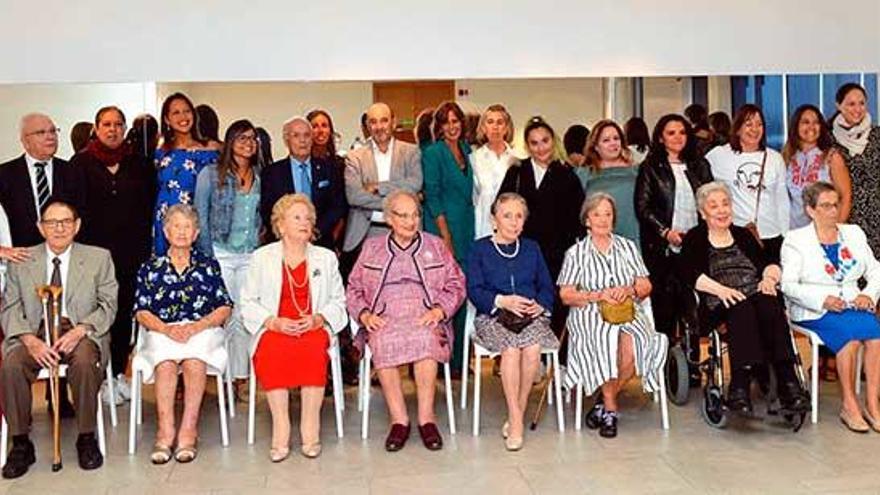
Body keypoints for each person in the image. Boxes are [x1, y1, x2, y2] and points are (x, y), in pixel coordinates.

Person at [0, 199, 118, 479]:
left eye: (66, 222)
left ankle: (86, 437)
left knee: (86, 361)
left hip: (79, 330)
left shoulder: (98, 258)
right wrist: (30, 340)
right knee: (11, 365)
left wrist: (81, 330)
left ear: (77, 226)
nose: (59, 228)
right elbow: (10, 306)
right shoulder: (23, 259)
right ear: (41, 228)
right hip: (34, 331)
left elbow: (108, 304)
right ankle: (20, 443)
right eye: (52, 222)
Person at [346, 191, 466, 452]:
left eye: (415, 215)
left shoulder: (434, 245)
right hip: (385, 314)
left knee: (426, 338)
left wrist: (440, 311)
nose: (410, 222)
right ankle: (399, 420)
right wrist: (365, 315)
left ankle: (426, 419)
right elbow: (353, 288)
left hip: (425, 312)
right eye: (403, 216)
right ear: (389, 218)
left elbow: (457, 283)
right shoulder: (372, 248)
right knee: (384, 340)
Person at [679, 182, 809, 414]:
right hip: (718, 300)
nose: (721, 210)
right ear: (703, 213)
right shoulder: (695, 237)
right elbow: (689, 274)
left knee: (769, 303)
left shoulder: (742, 234)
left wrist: (769, 278)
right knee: (742, 307)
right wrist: (721, 290)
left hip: (754, 294)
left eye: (725, 204)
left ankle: (789, 383)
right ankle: (739, 384)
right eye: (714, 206)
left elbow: (768, 263)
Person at [240, 194, 347, 460]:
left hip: (312, 325)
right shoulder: (261, 257)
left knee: (313, 347)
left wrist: (319, 319)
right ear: (281, 224)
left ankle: (310, 428)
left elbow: (338, 301)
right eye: (296, 217)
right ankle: (281, 428)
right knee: (272, 348)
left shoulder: (326, 258)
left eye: (308, 218)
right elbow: (247, 302)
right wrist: (272, 322)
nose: (304, 222)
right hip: (275, 325)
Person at [558, 193, 667, 438]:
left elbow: (646, 286)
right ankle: (610, 409)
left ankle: (604, 400)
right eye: (597, 214)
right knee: (606, 341)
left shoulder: (627, 247)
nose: (603, 219)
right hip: (590, 313)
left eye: (608, 214)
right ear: (587, 219)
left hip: (627, 310)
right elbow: (566, 295)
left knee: (636, 345)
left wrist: (627, 290)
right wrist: (598, 295)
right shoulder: (576, 253)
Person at [132, 204, 232, 464]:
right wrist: (167, 329)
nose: (182, 231)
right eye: (176, 226)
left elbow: (224, 306)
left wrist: (196, 326)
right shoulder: (150, 268)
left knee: (194, 360)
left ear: (196, 233)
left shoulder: (208, 266)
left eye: (188, 227)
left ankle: (188, 430)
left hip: (201, 330)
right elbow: (141, 311)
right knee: (165, 364)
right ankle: (165, 432)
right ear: (166, 232)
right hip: (161, 329)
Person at [73, 106, 156, 404]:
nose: (112, 130)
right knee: (95, 314)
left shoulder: (140, 163)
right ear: (96, 128)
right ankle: (99, 374)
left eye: (118, 124)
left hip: (131, 254)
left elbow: (149, 209)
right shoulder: (80, 163)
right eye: (106, 124)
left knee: (123, 315)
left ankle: (119, 374)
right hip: (92, 256)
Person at [781, 181, 880, 432]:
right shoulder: (795, 240)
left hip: (852, 304)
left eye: (835, 205)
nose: (833, 211)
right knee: (850, 340)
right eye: (825, 206)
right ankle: (849, 405)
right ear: (810, 210)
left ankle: (872, 403)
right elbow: (788, 285)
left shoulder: (854, 233)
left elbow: (876, 269)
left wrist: (868, 294)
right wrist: (821, 300)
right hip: (815, 309)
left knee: (876, 337)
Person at [466, 193, 558, 450]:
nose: (514, 222)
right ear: (494, 219)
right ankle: (516, 419)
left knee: (531, 350)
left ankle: (516, 411)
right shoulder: (479, 249)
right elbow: (474, 288)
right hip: (494, 316)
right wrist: (501, 301)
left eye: (519, 216)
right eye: (507, 215)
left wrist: (540, 304)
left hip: (529, 316)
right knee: (510, 350)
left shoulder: (531, 248)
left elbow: (546, 287)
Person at [635, 114, 713, 380]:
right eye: (671, 133)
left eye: (682, 132)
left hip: (696, 245)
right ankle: (664, 367)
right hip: (663, 249)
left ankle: (691, 367)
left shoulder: (700, 165)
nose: (678, 137)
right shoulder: (651, 167)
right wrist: (665, 232)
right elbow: (643, 208)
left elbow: (711, 201)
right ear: (660, 137)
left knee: (692, 309)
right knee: (665, 310)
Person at [498, 116, 584, 345]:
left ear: (553, 141)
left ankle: (550, 355)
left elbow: (577, 219)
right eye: (534, 143)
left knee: (553, 304)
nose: (540, 147)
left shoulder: (567, 175)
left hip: (557, 254)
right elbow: (499, 206)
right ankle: (523, 351)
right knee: (522, 301)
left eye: (544, 141)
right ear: (528, 146)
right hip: (520, 251)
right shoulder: (516, 172)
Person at [194, 119, 262, 395]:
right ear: (230, 142)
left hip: (250, 254)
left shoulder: (260, 174)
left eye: (252, 138)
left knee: (245, 316)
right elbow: (200, 214)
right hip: (220, 253)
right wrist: (208, 257)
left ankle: (240, 378)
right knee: (225, 314)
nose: (248, 143)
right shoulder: (211, 174)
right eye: (242, 138)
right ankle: (224, 377)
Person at [341, 103, 422, 279]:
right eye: (373, 122)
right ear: (368, 126)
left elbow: (415, 184)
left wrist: (379, 187)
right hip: (366, 233)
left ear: (393, 122)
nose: (379, 127)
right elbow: (354, 196)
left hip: (405, 233)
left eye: (384, 121)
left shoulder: (411, 152)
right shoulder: (354, 157)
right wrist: (397, 205)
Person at [422, 101, 474, 373]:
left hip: (466, 226)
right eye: (447, 122)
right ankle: (438, 359)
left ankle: (460, 362)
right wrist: (445, 238)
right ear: (439, 127)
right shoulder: (433, 153)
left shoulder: (467, 150)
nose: (452, 127)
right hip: (441, 227)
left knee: (461, 291)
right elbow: (432, 194)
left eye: (456, 121)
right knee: (441, 294)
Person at [705, 104, 789, 262]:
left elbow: (782, 199)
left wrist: (785, 235)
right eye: (748, 124)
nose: (754, 129)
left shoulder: (774, 158)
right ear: (737, 128)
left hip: (770, 234)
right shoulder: (718, 155)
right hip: (734, 235)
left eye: (759, 124)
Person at [0, 113, 85, 248]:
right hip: (21, 257)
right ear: (25, 140)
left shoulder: (73, 171)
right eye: (41, 132)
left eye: (53, 131)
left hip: (66, 255)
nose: (50, 137)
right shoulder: (4, 175)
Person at [262, 117, 347, 250]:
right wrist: (288, 232)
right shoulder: (272, 173)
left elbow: (338, 206)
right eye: (296, 135)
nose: (302, 140)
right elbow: (267, 210)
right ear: (286, 140)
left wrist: (315, 231)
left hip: (321, 243)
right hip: (284, 244)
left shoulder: (329, 169)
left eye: (307, 135)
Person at [152, 92, 220, 256]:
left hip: (200, 220)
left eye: (186, 111)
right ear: (167, 119)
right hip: (167, 219)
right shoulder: (160, 152)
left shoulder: (212, 149)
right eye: (176, 113)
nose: (183, 116)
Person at [783, 104, 851, 229]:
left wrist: (836, 230)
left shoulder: (832, 157)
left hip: (824, 232)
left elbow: (845, 197)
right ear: (796, 126)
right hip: (794, 233)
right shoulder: (787, 157)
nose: (811, 127)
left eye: (816, 122)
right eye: (805, 122)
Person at [830, 83, 880, 254]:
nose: (857, 109)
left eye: (861, 103)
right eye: (851, 104)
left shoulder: (877, 136)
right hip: (847, 216)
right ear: (839, 105)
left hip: (877, 216)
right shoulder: (829, 139)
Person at [577, 119, 639, 243]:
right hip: (597, 240)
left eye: (616, 138)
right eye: (606, 140)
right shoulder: (584, 173)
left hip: (632, 238)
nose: (613, 143)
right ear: (596, 147)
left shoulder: (637, 171)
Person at [472, 104, 517, 240]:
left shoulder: (517, 159)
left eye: (500, 122)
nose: (495, 127)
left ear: (507, 127)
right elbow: (474, 196)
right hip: (483, 227)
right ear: (484, 127)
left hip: (511, 226)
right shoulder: (474, 158)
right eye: (490, 122)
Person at [307, 109, 349, 251]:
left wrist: (334, 237)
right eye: (315, 126)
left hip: (328, 238)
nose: (320, 130)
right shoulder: (302, 164)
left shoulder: (339, 164)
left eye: (324, 125)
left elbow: (341, 206)